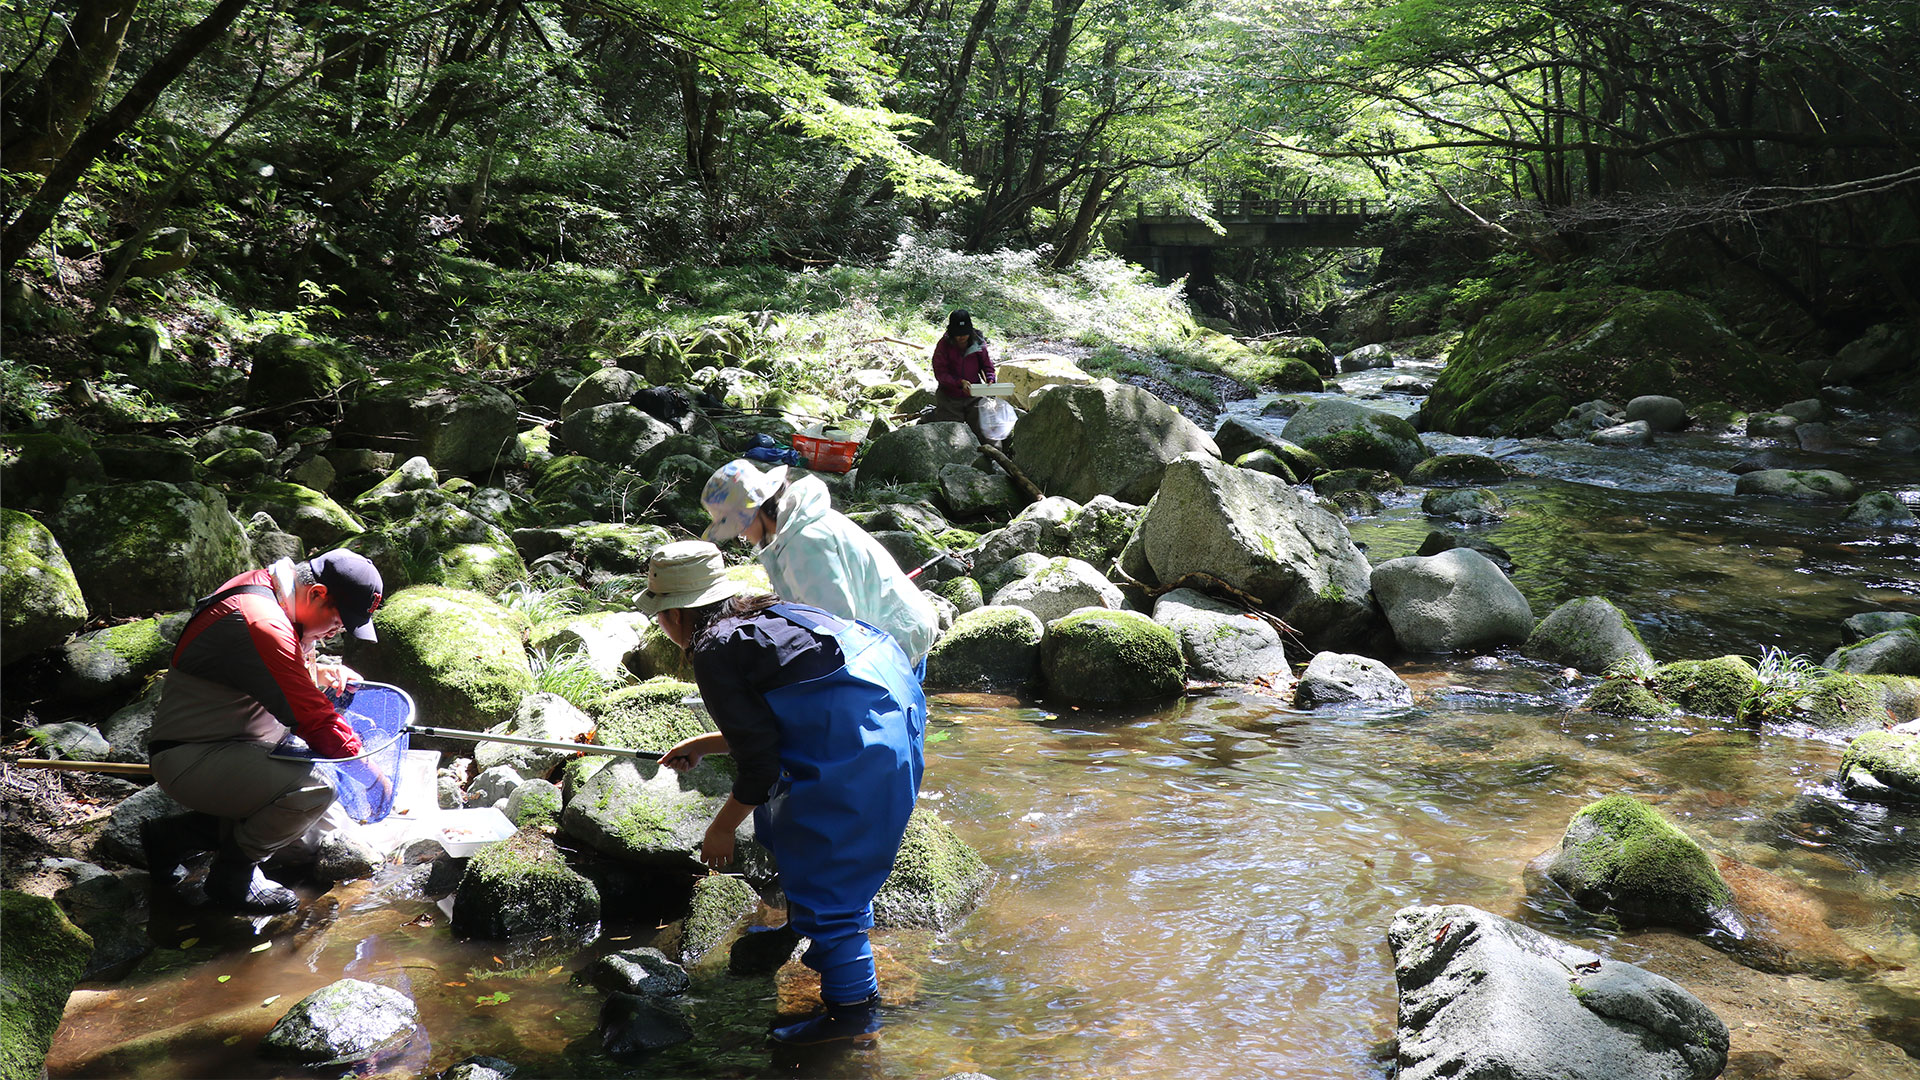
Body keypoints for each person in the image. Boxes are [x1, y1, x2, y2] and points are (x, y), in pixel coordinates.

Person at [641, 541, 926, 1046]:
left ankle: (852, 1023)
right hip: (889, 697)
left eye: (660, 613)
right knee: (792, 825)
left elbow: (760, 762)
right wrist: (708, 745)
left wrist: (722, 827)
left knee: (831, 866)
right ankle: (801, 925)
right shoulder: (764, 611)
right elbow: (788, 714)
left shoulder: (711, 648)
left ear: (678, 613)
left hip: (861, 733)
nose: (660, 624)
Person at [142, 550, 383, 914]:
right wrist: (372, 775)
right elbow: (314, 720)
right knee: (317, 788)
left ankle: (173, 838)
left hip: (238, 744)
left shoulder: (277, 591)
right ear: (316, 593)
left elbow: (255, 673)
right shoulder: (261, 620)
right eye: (338, 620)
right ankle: (233, 877)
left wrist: (322, 674)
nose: (338, 631)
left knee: (312, 840)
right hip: (191, 756)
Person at [701, 459, 940, 668]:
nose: (740, 534)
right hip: (893, 628)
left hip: (898, 635)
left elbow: (837, 625)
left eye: (740, 525)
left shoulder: (804, 542)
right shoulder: (792, 531)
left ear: (759, 511)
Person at [926, 309, 997, 445]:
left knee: (986, 431)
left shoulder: (978, 342)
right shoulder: (943, 345)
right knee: (949, 437)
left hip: (974, 394)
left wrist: (990, 378)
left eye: (965, 334)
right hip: (949, 396)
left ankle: (994, 458)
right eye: (958, 334)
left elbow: (987, 365)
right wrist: (959, 382)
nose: (962, 337)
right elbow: (941, 373)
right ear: (952, 333)